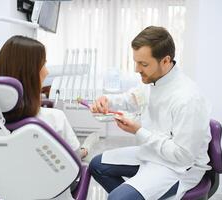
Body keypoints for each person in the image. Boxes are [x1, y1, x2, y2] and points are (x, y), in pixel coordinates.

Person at [89, 26, 211, 200]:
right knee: (96, 165)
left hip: (178, 167)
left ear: (165, 61)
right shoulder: (154, 81)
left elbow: (183, 156)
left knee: (117, 199)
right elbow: (132, 99)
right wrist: (107, 101)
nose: (137, 69)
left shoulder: (188, 98)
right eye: (136, 62)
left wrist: (139, 131)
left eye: (143, 64)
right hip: (153, 153)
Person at [0, 35, 98, 159]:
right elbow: (74, 159)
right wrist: (84, 150)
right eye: (43, 64)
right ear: (30, 72)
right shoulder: (55, 118)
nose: (47, 71)